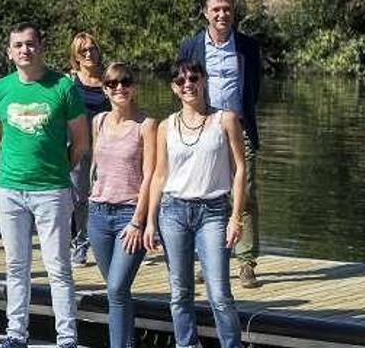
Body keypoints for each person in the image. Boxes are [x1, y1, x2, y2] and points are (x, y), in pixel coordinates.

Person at [0, 22, 88, 348]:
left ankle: (67, 338)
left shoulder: (63, 87)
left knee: (58, 267)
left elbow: (81, 141)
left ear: (41, 46)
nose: (24, 50)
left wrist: (58, 166)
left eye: (30, 44)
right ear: (9, 52)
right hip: (10, 189)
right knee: (16, 266)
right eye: (18, 45)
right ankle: (16, 334)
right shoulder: (0, 89)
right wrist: (18, 165)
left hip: (52, 190)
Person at [144, 60, 247, 348]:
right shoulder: (166, 126)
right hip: (173, 211)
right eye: (180, 81)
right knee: (180, 292)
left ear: (203, 80)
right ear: (174, 89)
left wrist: (236, 217)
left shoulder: (225, 120)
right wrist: (150, 220)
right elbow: (159, 175)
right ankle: (186, 344)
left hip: (213, 211)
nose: (187, 83)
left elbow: (240, 168)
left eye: (193, 78)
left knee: (219, 293)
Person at [177, 0, 263, 288]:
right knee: (207, 194)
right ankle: (212, 258)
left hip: (240, 127)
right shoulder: (191, 46)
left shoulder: (249, 47)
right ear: (206, 13)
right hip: (205, 129)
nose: (222, 14)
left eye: (227, 9)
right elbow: (181, 83)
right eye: (216, 10)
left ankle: (246, 263)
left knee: (246, 193)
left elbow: (255, 85)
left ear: (233, 12)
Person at [87, 63, 156, 348]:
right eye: (113, 84)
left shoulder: (147, 125)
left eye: (125, 82)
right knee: (118, 291)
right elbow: (94, 166)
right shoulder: (98, 121)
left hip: (129, 216)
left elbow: (151, 175)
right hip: (98, 214)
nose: (120, 88)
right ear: (104, 89)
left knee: (116, 287)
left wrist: (139, 221)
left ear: (134, 86)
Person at [69, 31, 110, 267]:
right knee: (78, 197)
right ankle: (79, 244)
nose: (88, 53)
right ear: (75, 55)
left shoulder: (109, 80)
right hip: (78, 145)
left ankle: (106, 240)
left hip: (104, 146)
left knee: (105, 195)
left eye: (92, 48)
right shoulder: (70, 81)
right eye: (83, 50)